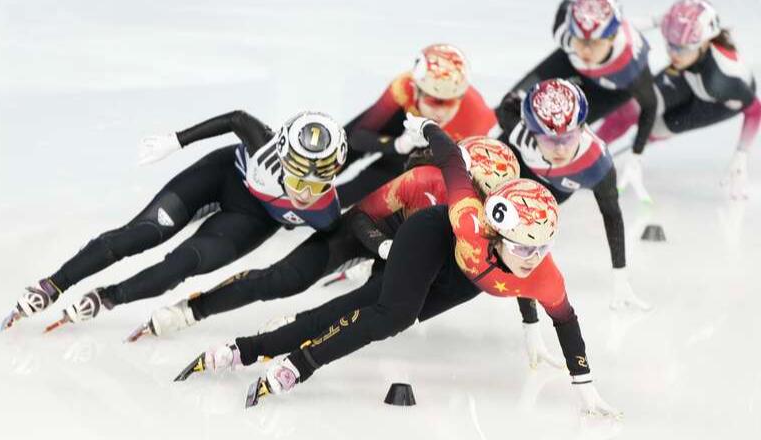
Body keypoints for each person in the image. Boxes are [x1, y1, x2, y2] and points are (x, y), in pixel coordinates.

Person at [177, 115, 620, 418]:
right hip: (431, 236)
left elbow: (564, 318)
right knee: (391, 316)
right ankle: (293, 363)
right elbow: (450, 159)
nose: (532, 259)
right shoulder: (467, 216)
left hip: (463, 277)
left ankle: (251, 347)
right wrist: (425, 127)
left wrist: (585, 388)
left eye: (540, 249)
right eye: (522, 248)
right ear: (496, 229)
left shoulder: (542, 271)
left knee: (362, 309)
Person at [127, 137, 517, 342]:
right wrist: (384, 246)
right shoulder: (423, 180)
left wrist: (531, 322)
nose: (482, 199)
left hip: (413, 256)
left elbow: (517, 265)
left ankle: (296, 327)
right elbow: (362, 214)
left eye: (493, 192)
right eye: (476, 186)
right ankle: (192, 310)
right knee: (282, 279)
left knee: (376, 304)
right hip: (371, 233)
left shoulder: (501, 214)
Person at [0, 110, 348, 331]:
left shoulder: (325, 212)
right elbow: (237, 119)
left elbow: (338, 241)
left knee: (181, 265)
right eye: (297, 178)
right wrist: (176, 141)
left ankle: (107, 298)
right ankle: (53, 285)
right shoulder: (263, 145)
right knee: (141, 234)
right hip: (222, 176)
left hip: (250, 220)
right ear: (282, 157)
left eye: (317, 184)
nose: (305, 193)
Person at [497, 77, 648, 311]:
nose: (560, 149)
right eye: (550, 140)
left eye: (568, 137)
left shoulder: (597, 165)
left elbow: (612, 217)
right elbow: (506, 106)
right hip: (515, 166)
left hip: (553, 192)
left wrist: (620, 279)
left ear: (583, 128)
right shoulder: (518, 131)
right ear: (531, 131)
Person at [496, 0, 657, 202]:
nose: (587, 50)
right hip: (571, 63)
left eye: (594, 42)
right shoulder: (564, 32)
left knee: (561, 129)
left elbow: (650, 106)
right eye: (580, 40)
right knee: (513, 107)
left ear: (612, 38)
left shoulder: (631, 67)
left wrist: (636, 154)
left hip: (608, 90)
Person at [596, 0, 759, 199]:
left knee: (655, 129)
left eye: (681, 48)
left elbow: (755, 109)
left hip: (715, 102)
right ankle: (591, 151)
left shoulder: (718, 81)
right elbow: (624, 27)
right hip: (690, 71)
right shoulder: (684, 34)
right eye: (670, 45)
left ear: (704, 42)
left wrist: (741, 154)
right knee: (632, 109)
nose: (673, 54)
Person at [337, 43, 497, 204]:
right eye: (433, 100)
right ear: (416, 91)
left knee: (369, 184)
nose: (441, 113)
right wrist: (396, 144)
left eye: (450, 102)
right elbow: (357, 138)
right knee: (338, 145)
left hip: (435, 146)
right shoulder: (404, 87)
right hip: (407, 122)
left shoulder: (478, 118)